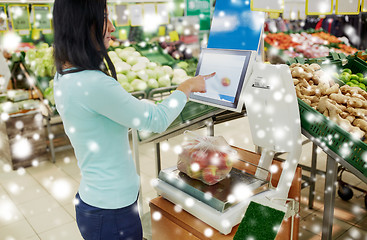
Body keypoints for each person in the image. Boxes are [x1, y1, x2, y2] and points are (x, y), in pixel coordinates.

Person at [52, 0, 215, 239]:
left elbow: (102, 118)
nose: (113, 27)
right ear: (83, 24)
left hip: (97, 203)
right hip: (111, 213)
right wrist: (187, 87)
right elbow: (156, 120)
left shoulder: (65, 75)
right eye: (105, 17)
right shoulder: (93, 83)